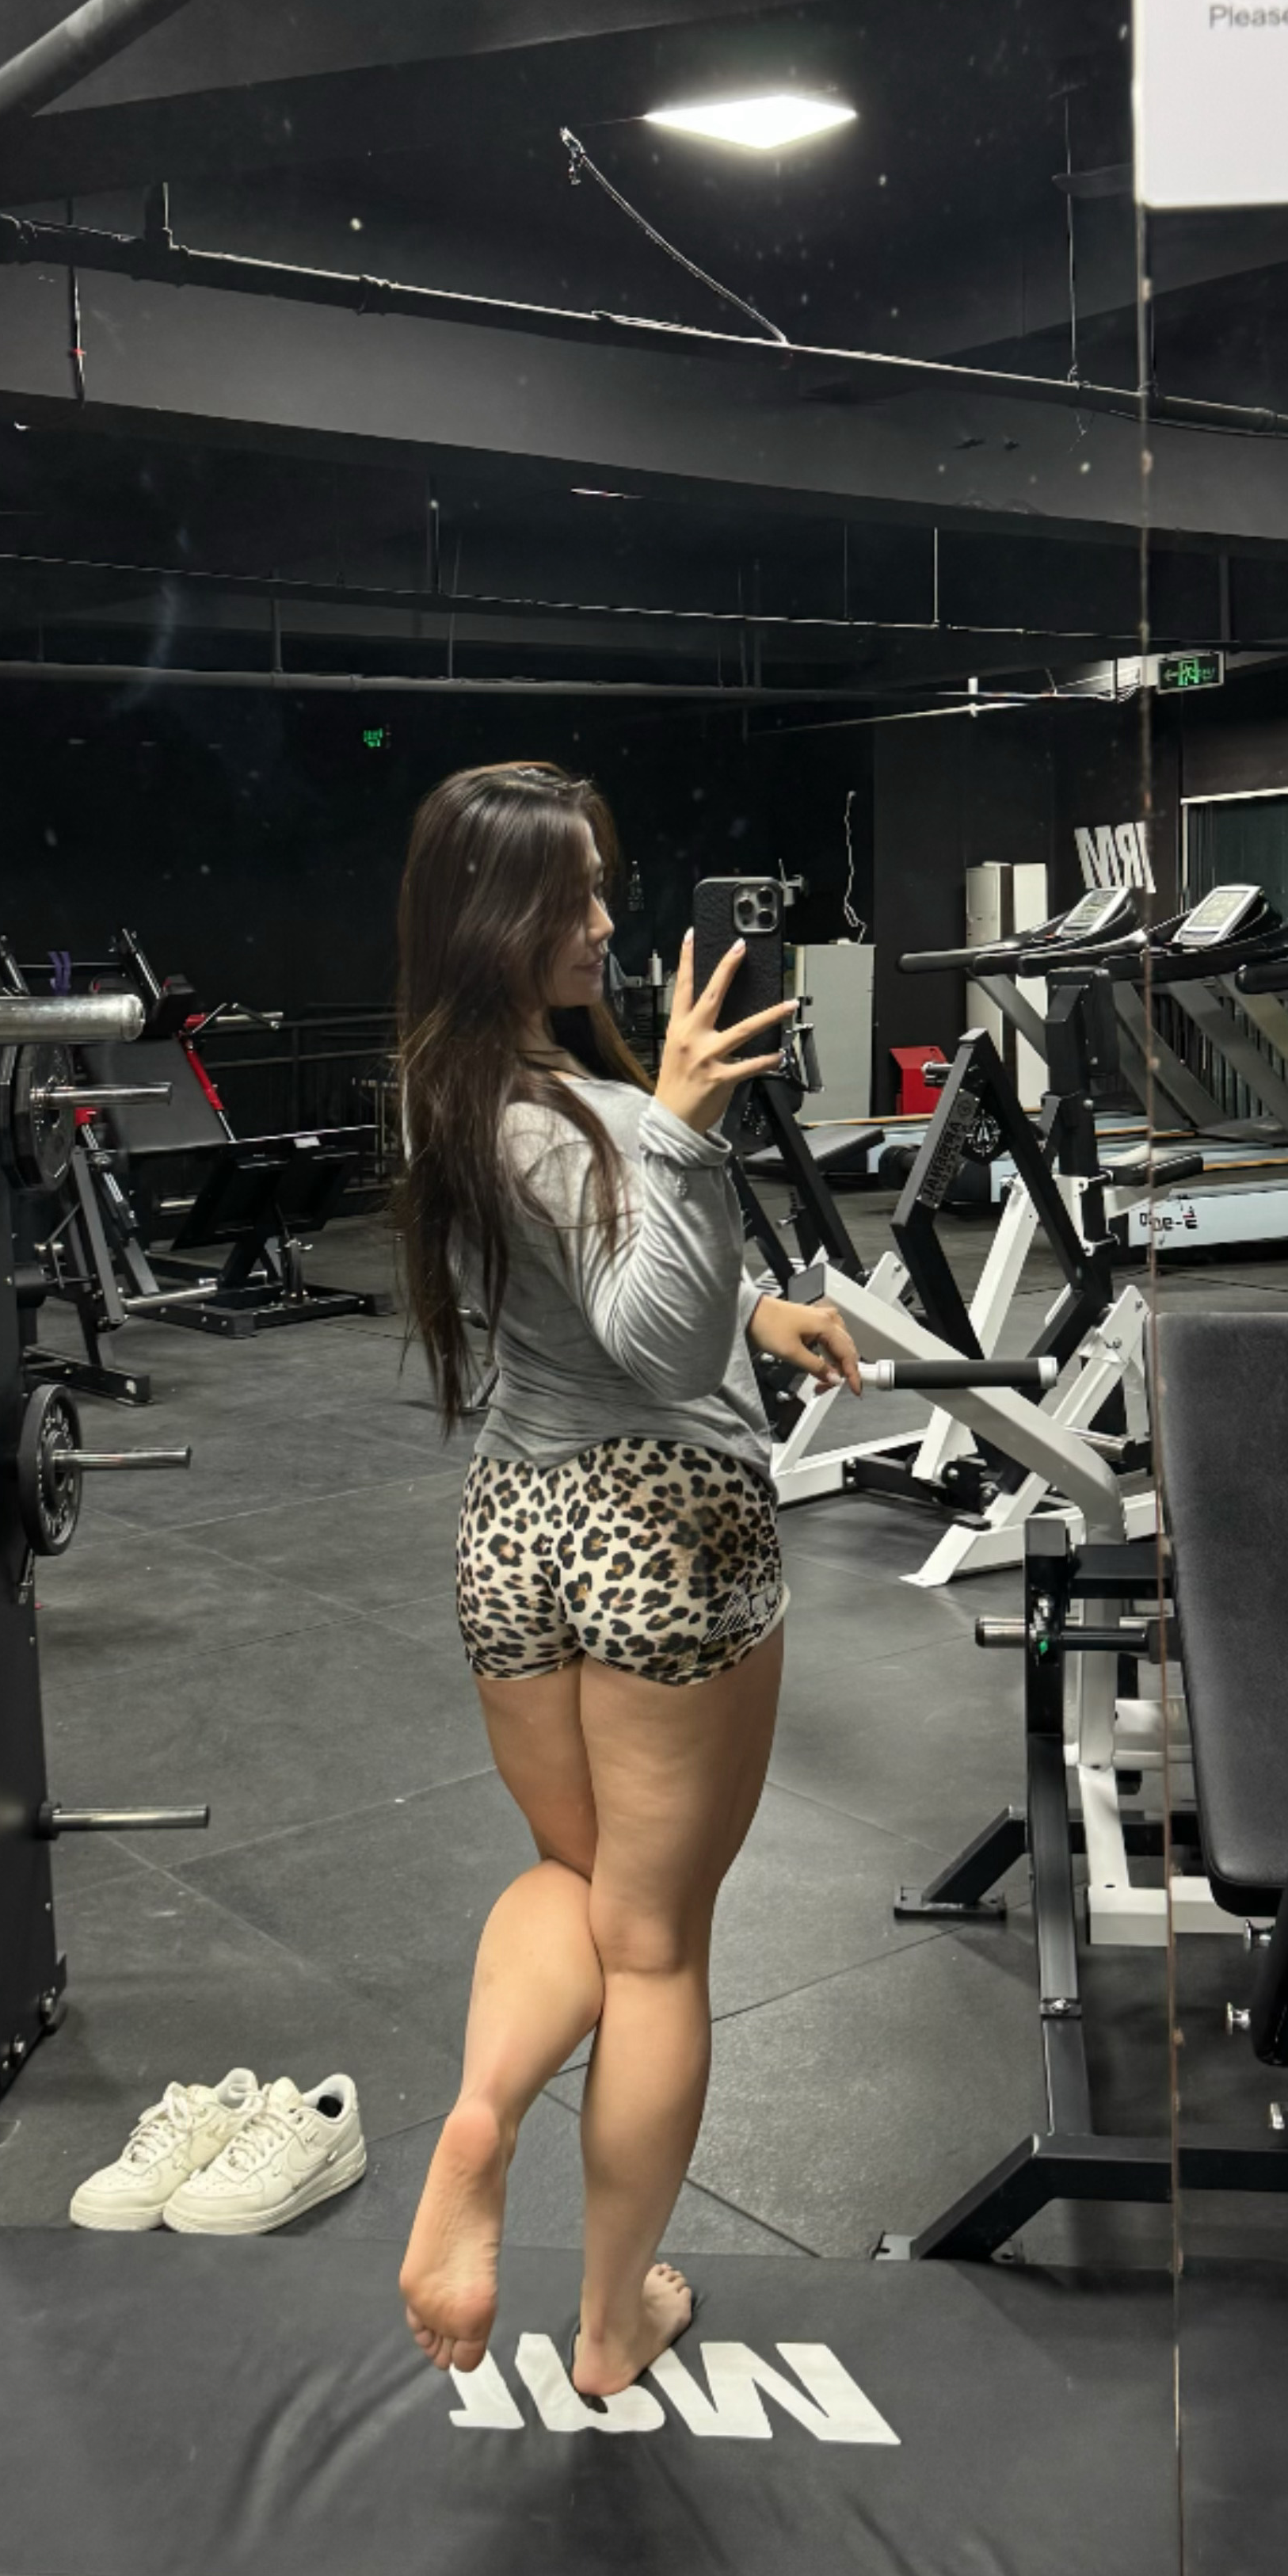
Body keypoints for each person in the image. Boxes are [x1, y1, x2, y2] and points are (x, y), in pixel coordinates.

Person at [391, 760, 862, 2400]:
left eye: (603, 884)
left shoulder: (447, 1084)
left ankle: (480, 2115)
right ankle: (609, 2323)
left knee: (574, 1878)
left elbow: (576, 1292)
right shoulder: (581, 1113)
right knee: (653, 1942)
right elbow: (652, 1343)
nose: (603, 920)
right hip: (659, 1525)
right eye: (569, 896)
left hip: (517, 1524)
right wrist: (678, 1127)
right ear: (492, 917)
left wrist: (759, 1311)